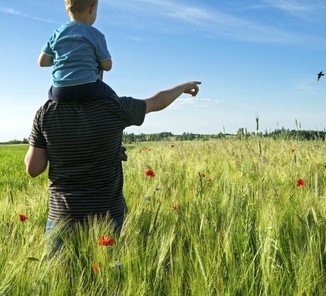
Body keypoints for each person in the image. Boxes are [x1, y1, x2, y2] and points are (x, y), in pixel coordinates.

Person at [24, 81, 201, 256]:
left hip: (63, 216)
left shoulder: (45, 112)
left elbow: (33, 169)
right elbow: (159, 100)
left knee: (61, 280)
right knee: (111, 275)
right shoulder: (114, 106)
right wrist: (183, 86)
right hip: (109, 214)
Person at [38, 0, 115, 102]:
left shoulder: (58, 33)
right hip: (88, 88)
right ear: (92, 8)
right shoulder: (95, 34)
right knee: (113, 98)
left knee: (51, 93)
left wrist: (66, 57)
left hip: (60, 91)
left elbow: (42, 62)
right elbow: (107, 66)